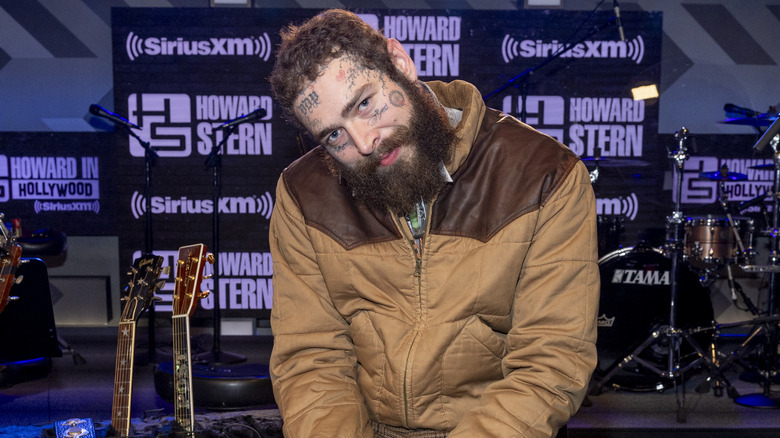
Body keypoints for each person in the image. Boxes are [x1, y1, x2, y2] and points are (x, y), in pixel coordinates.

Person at [267, 9, 599, 438]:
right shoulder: (302, 193)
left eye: (364, 103)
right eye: (334, 135)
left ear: (399, 64)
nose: (364, 142)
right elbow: (312, 361)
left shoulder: (545, 174)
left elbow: (550, 364)